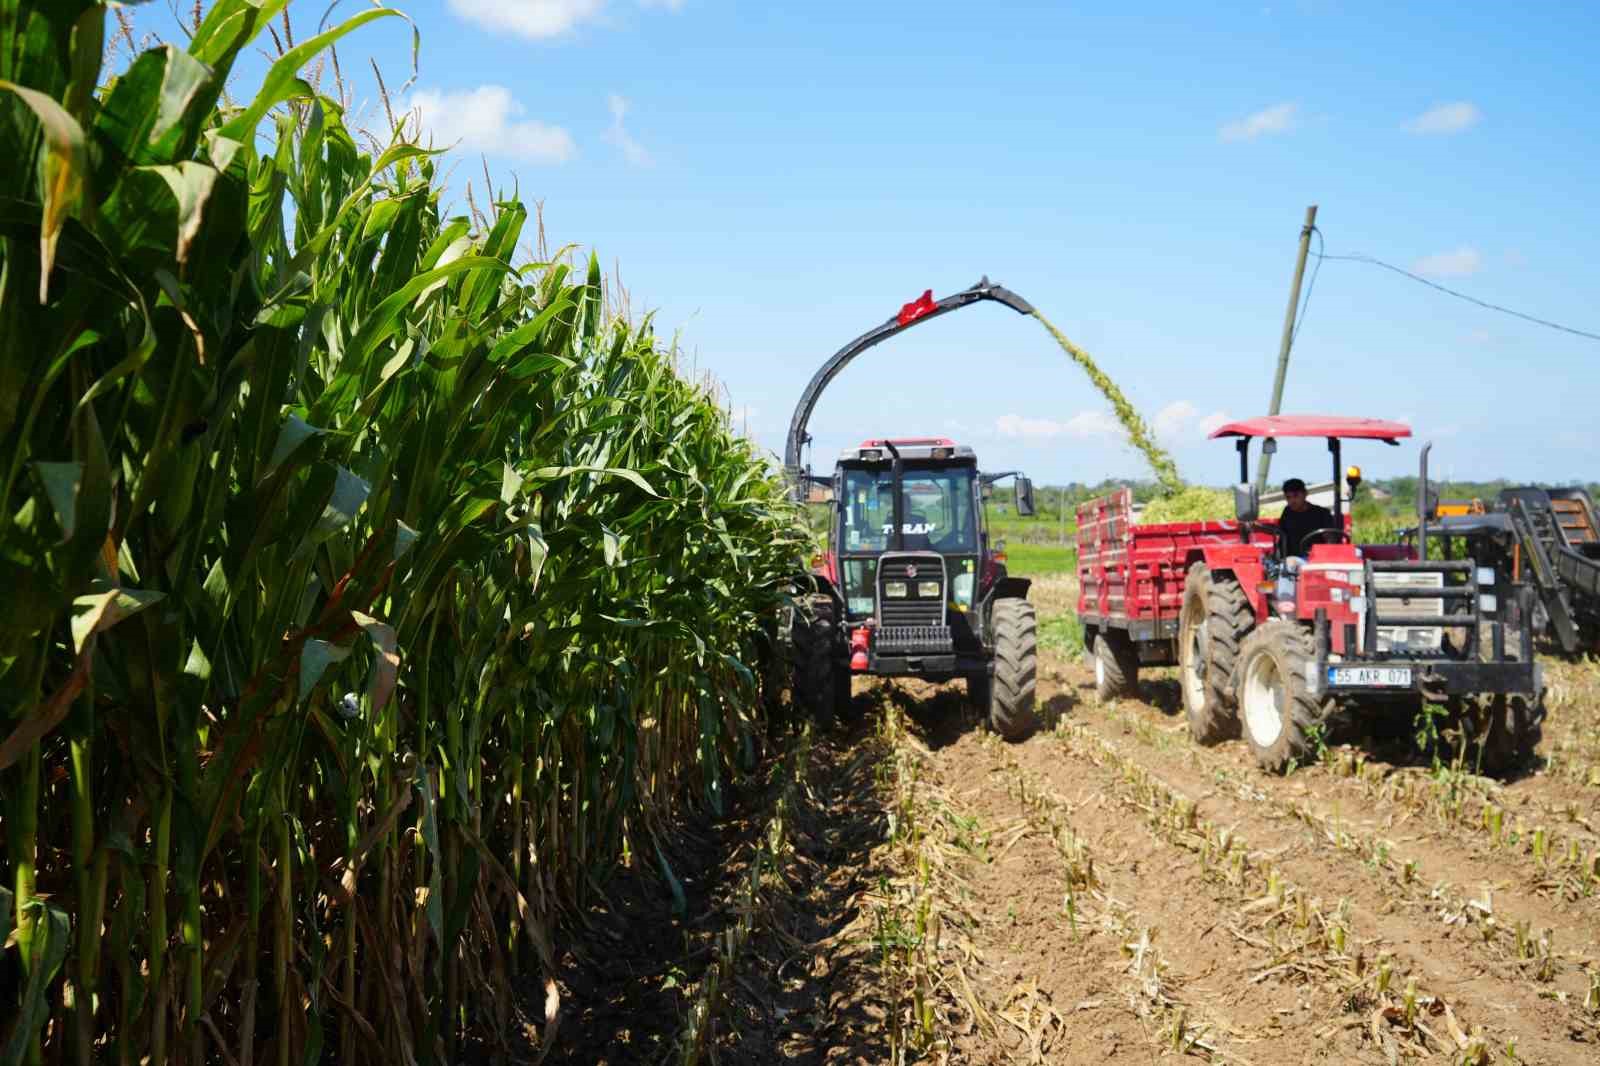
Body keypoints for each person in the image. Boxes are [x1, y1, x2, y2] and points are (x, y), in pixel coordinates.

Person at [1277, 478, 1336, 556]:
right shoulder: (1287, 512)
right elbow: (1279, 531)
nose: (1292, 500)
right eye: (1288, 497)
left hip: (1316, 559)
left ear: (1305, 494)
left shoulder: (1322, 513)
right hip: (1292, 561)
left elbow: (1330, 539)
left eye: (1295, 496)